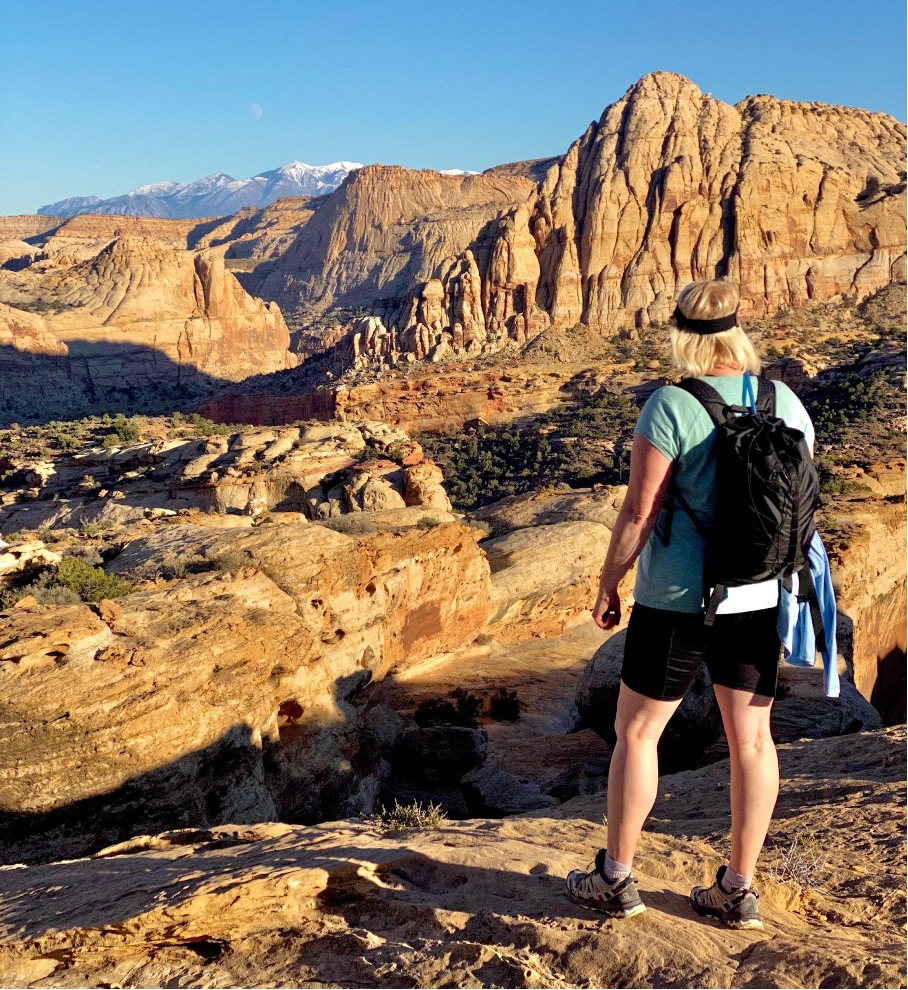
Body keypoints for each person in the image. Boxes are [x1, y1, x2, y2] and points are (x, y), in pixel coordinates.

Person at [565, 278, 814, 930]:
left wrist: (608, 583)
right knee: (752, 743)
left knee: (638, 733)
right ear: (738, 328)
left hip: (676, 601)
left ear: (680, 332)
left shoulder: (671, 405)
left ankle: (616, 879)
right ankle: (738, 889)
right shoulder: (784, 399)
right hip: (759, 596)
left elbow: (639, 511)